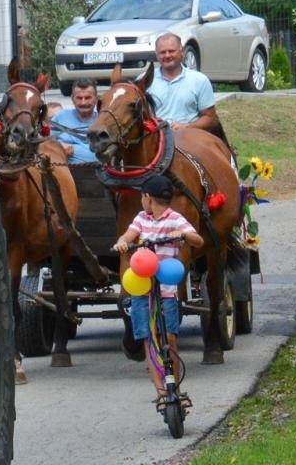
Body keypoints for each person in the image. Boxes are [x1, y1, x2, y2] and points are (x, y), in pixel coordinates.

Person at [112, 173, 204, 410]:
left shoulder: (175, 219)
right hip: (143, 289)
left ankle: (176, 387)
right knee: (148, 339)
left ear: (148, 198)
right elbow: (128, 235)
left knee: (170, 338)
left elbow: (197, 240)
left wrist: (182, 235)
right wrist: (123, 241)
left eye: (142, 197)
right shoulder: (141, 219)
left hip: (166, 290)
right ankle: (162, 393)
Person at [146, 32, 219, 133]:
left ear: (182, 51)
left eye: (171, 51)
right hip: (155, 140)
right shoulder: (146, 81)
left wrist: (187, 127)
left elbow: (211, 119)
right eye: (162, 52)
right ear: (156, 55)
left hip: (189, 138)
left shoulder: (199, 80)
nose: (167, 55)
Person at [50, 79, 100, 164]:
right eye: (79, 98)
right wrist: (58, 148)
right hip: (64, 173)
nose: (83, 102)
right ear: (72, 99)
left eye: (88, 98)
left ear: (96, 99)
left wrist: (75, 150)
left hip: (99, 174)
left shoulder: (103, 120)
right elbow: (46, 145)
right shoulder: (60, 117)